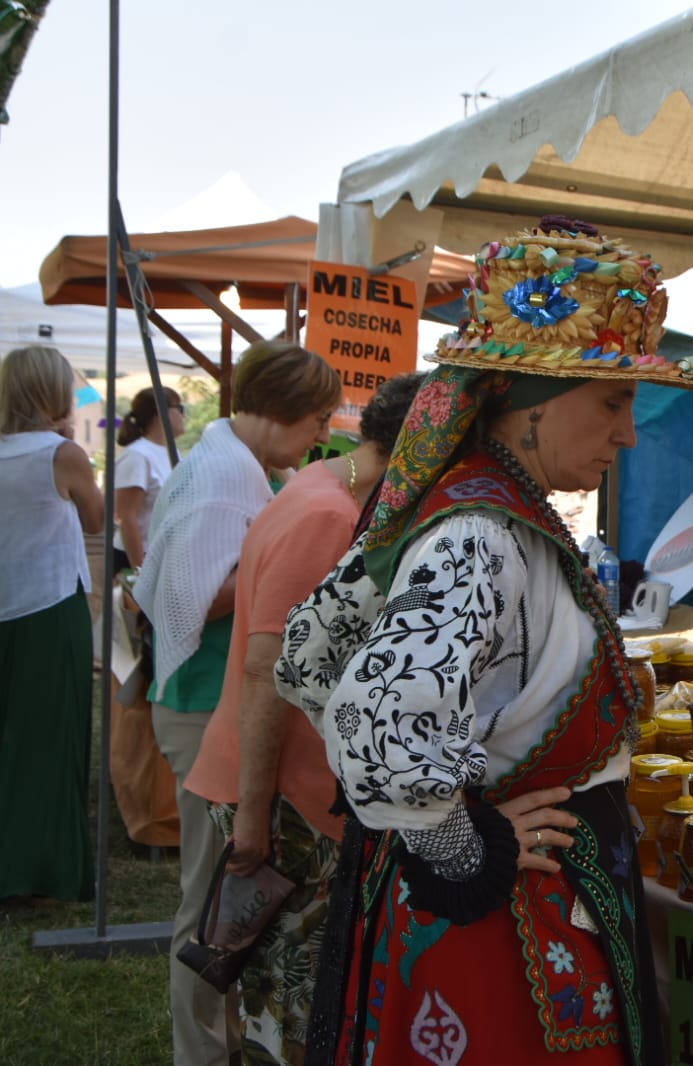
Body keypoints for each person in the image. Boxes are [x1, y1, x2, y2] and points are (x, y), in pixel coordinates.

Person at [275, 219, 693, 1065]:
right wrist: (467, 851)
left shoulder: (500, 515)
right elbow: (375, 714)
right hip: (503, 922)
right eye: (613, 403)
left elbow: (315, 662)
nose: (627, 434)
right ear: (529, 404)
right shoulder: (479, 533)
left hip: (526, 897)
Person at [184, 371, 425, 1065]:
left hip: (284, 785)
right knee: (291, 1002)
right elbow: (268, 670)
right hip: (285, 792)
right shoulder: (330, 515)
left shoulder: (325, 484)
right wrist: (256, 814)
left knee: (286, 995)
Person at [134, 340, 342, 1066]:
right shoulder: (226, 477)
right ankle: (199, 1053)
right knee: (211, 901)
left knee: (225, 892)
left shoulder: (231, 463)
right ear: (282, 410)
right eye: (316, 418)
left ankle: (217, 1043)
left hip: (204, 701)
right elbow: (189, 600)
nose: (321, 435)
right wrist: (276, 565)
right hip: (201, 703)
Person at [0, 345, 105, 902]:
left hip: (11, 598)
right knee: (52, 739)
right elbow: (95, 517)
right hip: (48, 602)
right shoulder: (63, 453)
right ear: (52, 393)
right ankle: (43, 868)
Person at [113, 385, 185, 571]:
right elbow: (126, 516)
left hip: (161, 554)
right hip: (137, 556)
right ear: (161, 413)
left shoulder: (172, 452)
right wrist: (140, 568)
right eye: (180, 409)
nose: (183, 416)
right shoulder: (137, 455)